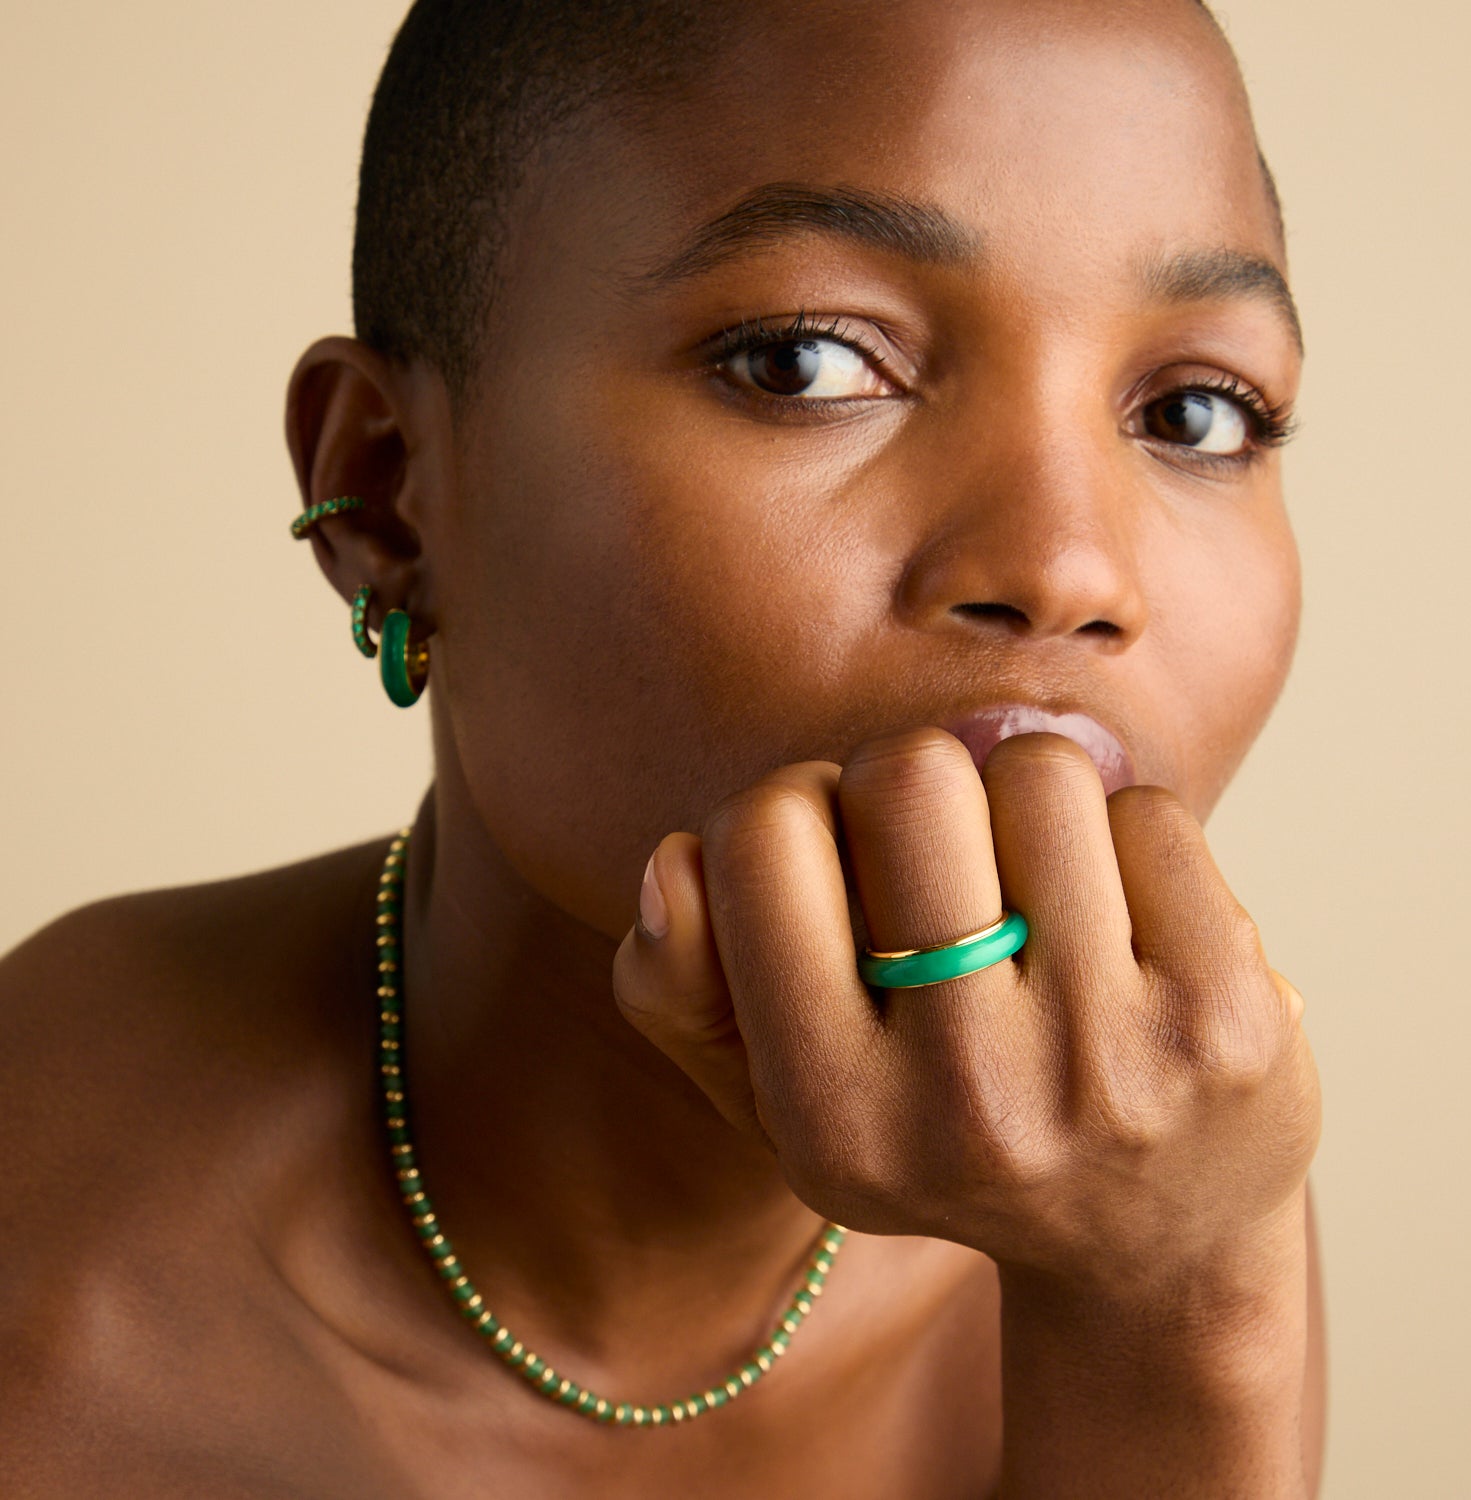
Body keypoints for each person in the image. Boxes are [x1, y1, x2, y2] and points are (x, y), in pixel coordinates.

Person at [0, 0, 1326, 1493]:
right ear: (385, 494)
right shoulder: (50, 1277)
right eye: (805, 364)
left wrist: (1178, 1299)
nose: (1073, 563)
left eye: (1198, 410)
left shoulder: (1149, 1156)